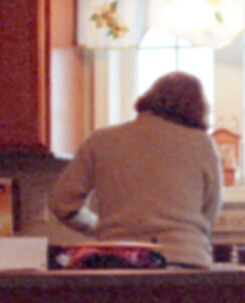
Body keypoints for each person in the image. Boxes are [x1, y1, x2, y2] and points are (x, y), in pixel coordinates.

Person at [46, 71, 223, 267]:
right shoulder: (203, 144)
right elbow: (209, 212)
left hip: (119, 261)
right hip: (186, 259)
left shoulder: (101, 140)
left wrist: (100, 226)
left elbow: (61, 203)